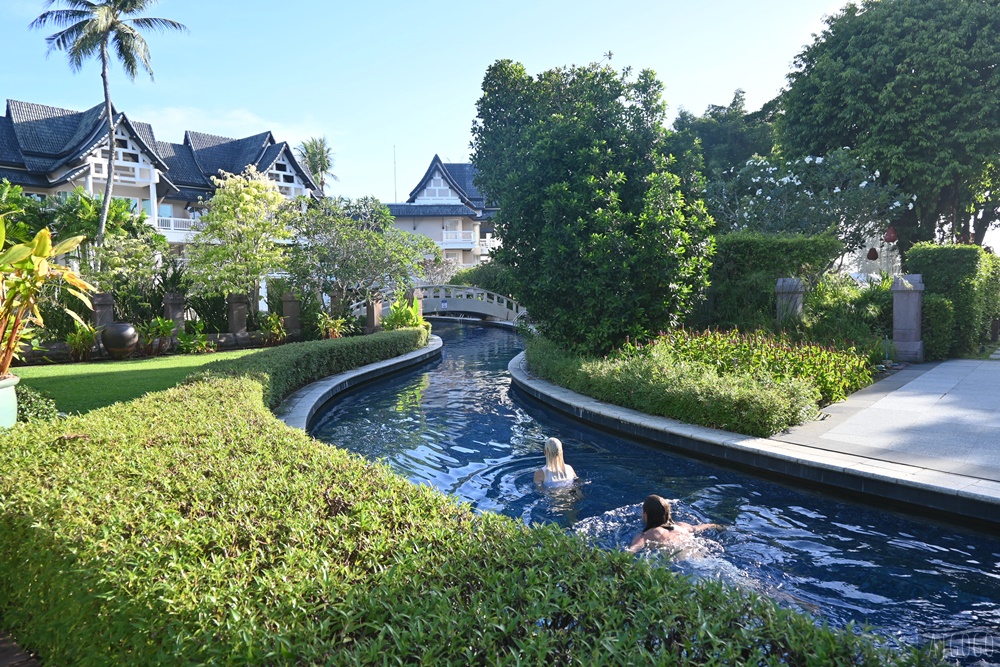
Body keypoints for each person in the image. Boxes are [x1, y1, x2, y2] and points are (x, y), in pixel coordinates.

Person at [628, 494, 720, 553]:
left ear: (645, 514)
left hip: (685, 564)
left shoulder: (645, 535)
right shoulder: (682, 526)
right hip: (703, 555)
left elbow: (630, 552)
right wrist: (718, 526)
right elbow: (702, 527)